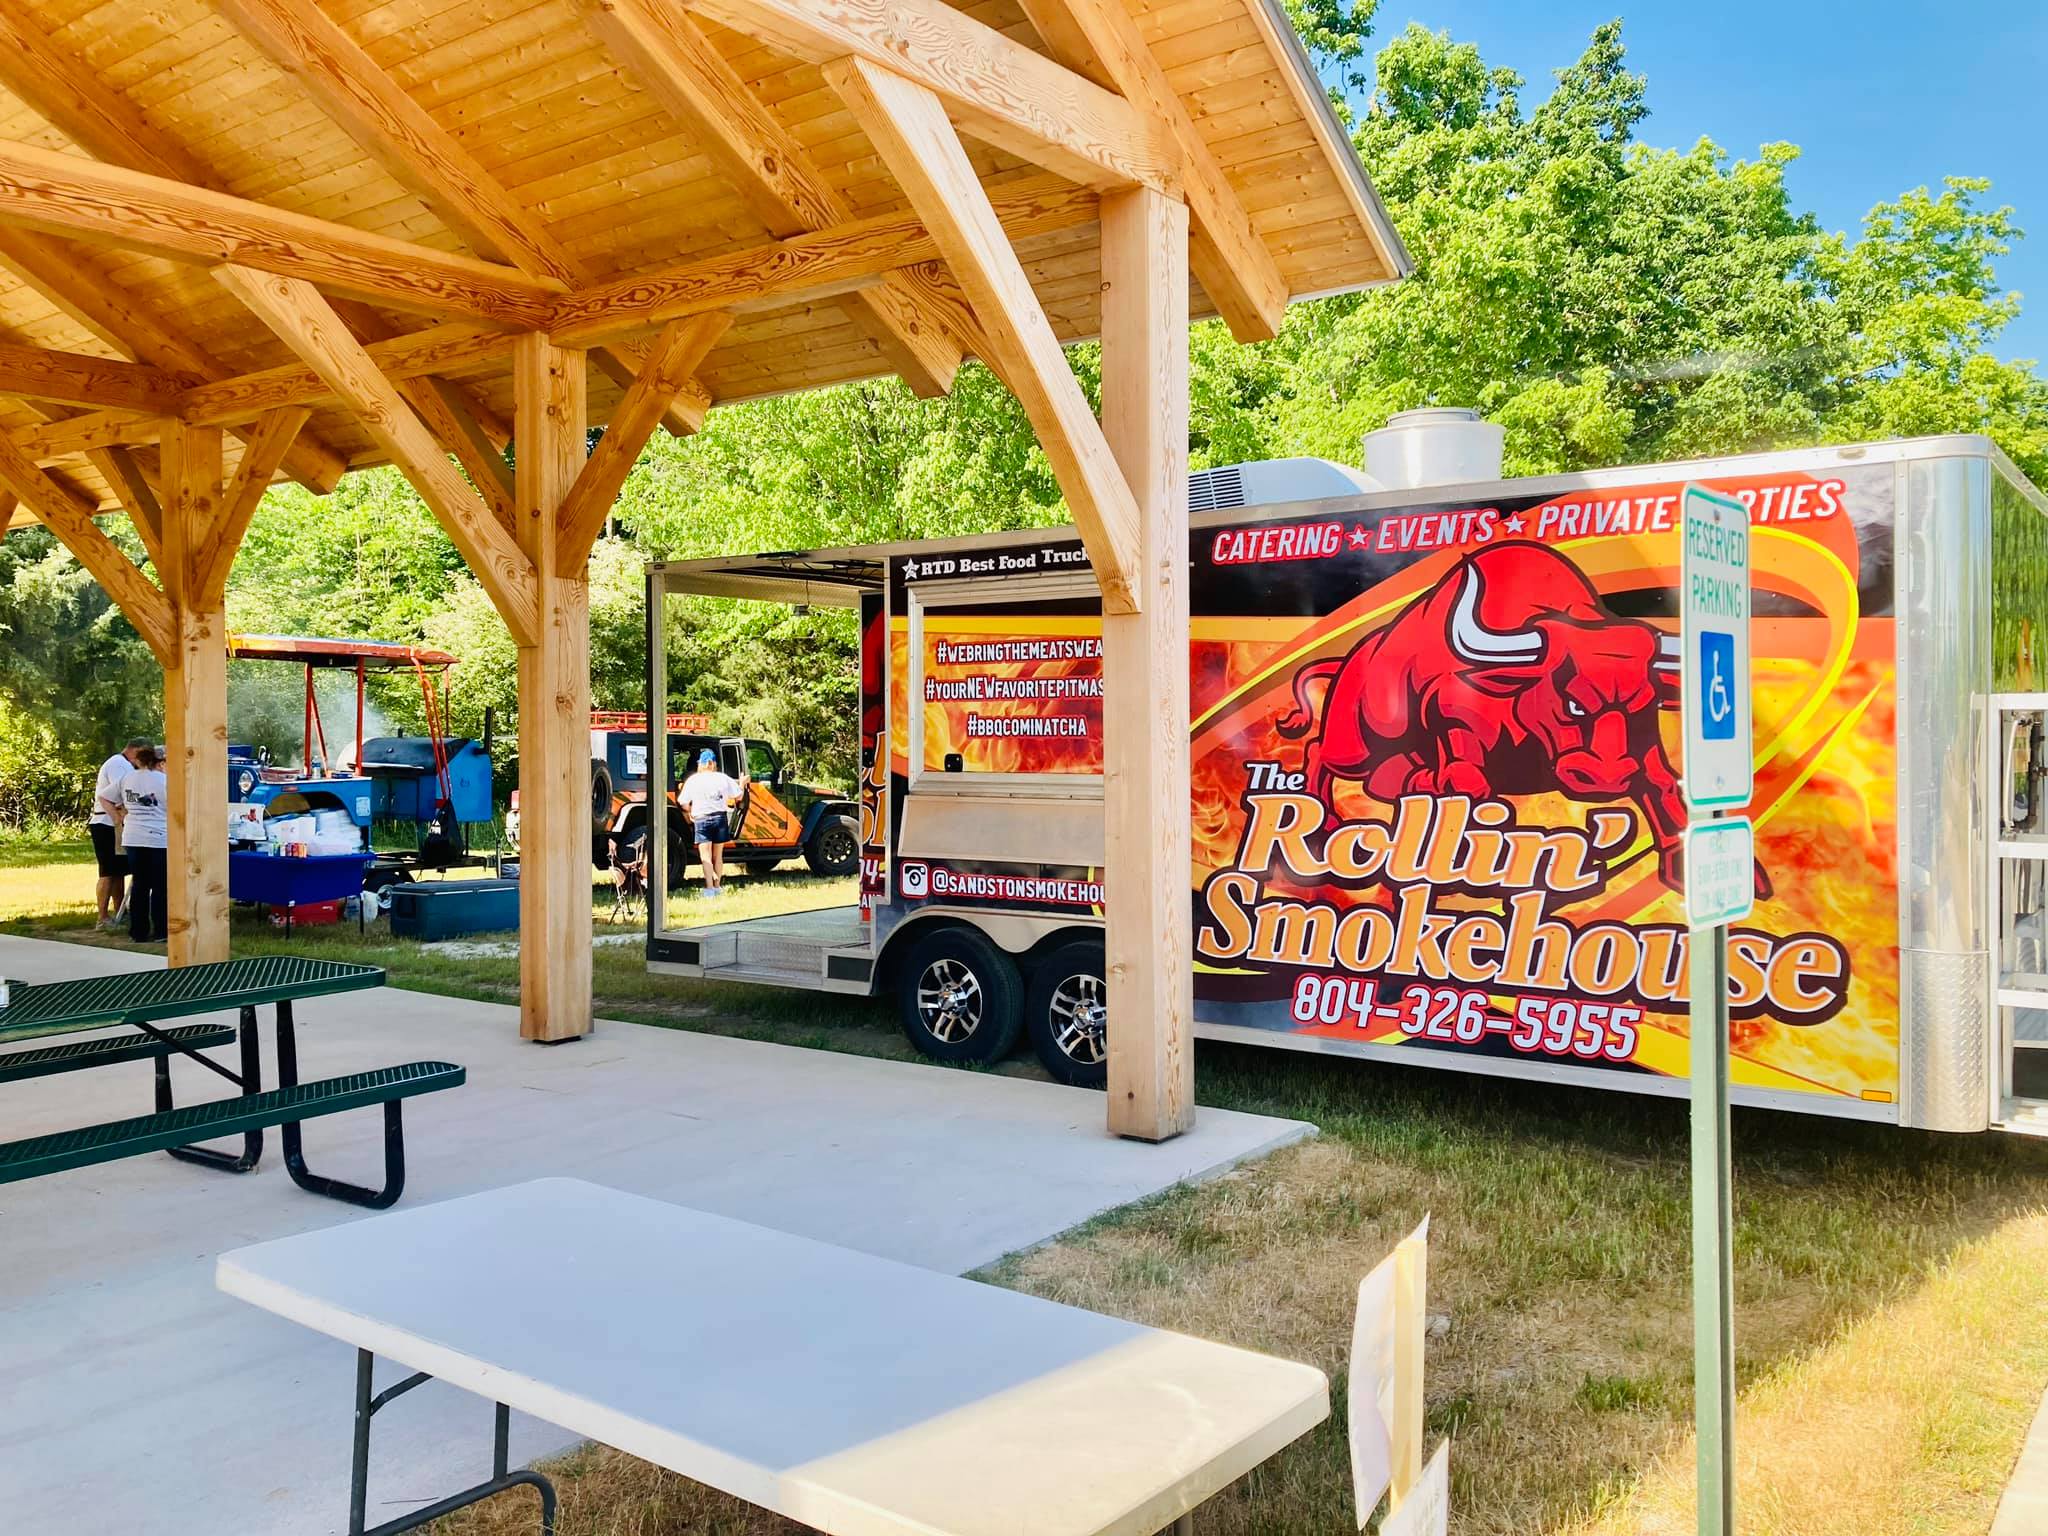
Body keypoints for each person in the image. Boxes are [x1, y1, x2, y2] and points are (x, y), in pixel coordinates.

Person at [89, 737, 150, 930]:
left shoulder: (125, 765)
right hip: (106, 822)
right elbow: (123, 794)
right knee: (107, 871)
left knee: (119, 870)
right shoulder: (118, 764)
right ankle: (102, 916)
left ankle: (119, 911)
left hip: (116, 823)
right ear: (134, 750)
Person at [117, 744, 169, 944]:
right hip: (159, 837)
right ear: (159, 762)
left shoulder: (127, 778)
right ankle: (161, 931)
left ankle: (138, 931)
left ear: (137, 760)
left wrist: (119, 817)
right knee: (160, 887)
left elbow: (106, 796)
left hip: (133, 837)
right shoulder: (164, 780)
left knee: (139, 884)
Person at [678, 748, 747, 898]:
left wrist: (689, 811)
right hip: (719, 819)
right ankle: (717, 886)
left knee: (705, 856)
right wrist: (742, 783)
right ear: (714, 763)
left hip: (701, 819)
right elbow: (739, 795)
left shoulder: (693, 780)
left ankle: (709, 888)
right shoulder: (722, 778)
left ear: (700, 764)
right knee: (718, 856)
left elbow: (682, 802)